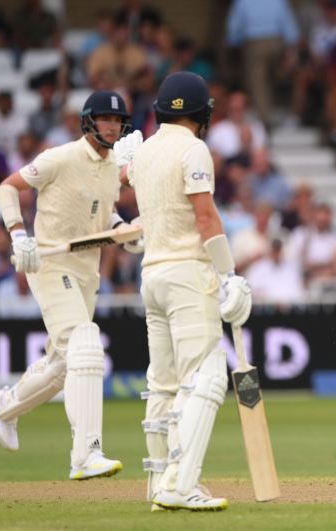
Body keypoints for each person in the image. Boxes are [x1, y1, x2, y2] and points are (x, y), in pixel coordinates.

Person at [0, 91, 138, 480]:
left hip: (88, 271)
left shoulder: (111, 167)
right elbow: (7, 186)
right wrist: (19, 235)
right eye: (105, 119)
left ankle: (6, 405)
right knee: (86, 342)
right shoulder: (60, 157)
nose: (113, 127)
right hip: (50, 264)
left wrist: (124, 231)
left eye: (118, 121)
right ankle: (85, 455)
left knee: (63, 363)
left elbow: (105, 212)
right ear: (88, 121)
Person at [117, 71, 252, 512]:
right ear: (202, 114)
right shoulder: (193, 148)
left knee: (164, 383)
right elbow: (205, 216)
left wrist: (128, 167)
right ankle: (181, 485)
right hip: (188, 276)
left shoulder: (146, 151)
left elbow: (133, 184)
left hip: (152, 277)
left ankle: (160, 484)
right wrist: (229, 274)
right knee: (207, 376)